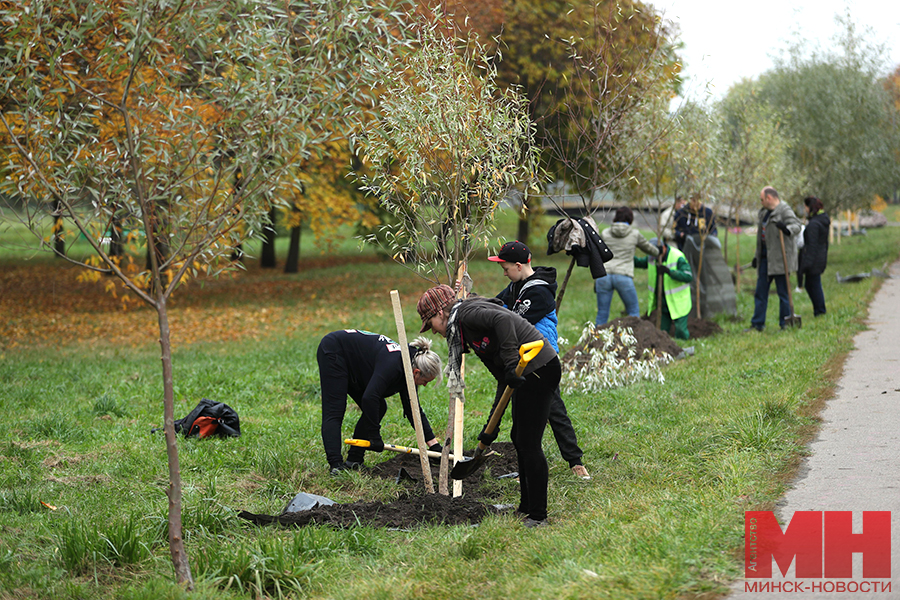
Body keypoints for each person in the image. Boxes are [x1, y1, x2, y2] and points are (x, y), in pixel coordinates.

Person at [417, 284, 560, 527]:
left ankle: (538, 515)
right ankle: (526, 508)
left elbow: (502, 319)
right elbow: (504, 380)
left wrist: (511, 361)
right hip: (527, 372)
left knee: (528, 442)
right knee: (519, 438)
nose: (434, 331)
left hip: (539, 369)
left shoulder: (467, 314)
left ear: (441, 312)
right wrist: (489, 430)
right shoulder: (465, 330)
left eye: (431, 323)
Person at [489, 240, 591, 480]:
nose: (503, 273)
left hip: (542, 360)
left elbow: (511, 321)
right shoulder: (516, 286)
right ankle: (524, 464)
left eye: (505, 268)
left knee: (554, 410)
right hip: (522, 358)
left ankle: (575, 462)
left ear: (518, 265)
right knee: (519, 414)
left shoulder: (538, 291)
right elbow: (496, 304)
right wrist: (468, 299)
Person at [317, 329, 442, 474]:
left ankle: (354, 460)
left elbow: (413, 409)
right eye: (425, 381)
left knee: (379, 407)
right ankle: (336, 465)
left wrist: (433, 445)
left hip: (357, 363)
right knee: (335, 409)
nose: (425, 385)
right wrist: (374, 434)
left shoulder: (410, 366)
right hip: (335, 350)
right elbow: (370, 398)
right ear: (416, 372)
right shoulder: (393, 365)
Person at [747, 186, 802, 331]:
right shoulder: (764, 213)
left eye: (762, 199)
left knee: (783, 293)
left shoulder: (784, 210)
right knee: (760, 292)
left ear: (769, 198)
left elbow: (797, 225)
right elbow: (761, 238)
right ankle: (757, 324)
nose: (761, 202)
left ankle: (784, 323)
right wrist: (756, 257)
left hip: (780, 260)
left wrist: (786, 229)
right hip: (765, 259)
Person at [596, 207, 660, 326]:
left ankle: (595, 342)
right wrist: (659, 251)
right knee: (633, 312)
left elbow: (597, 252)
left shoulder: (605, 233)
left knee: (602, 314)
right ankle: (635, 341)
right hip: (623, 276)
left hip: (604, 275)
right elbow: (650, 249)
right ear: (630, 219)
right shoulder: (634, 234)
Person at [634, 239, 693, 340]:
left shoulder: (677, 256)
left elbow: (688, 276)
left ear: (664, 247)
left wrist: (669, 272)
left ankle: (684, 346)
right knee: (662, 331)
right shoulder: (652, 258)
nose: (654, 256)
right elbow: (639, 262)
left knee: (680, 329)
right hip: (663, 301)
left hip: (678, 301)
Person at [798, 196, 830, 317]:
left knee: (814, 285)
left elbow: (812, 245)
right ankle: (819, 309)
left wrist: (806, 264)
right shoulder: (822, 221)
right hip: (820, 256)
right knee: (811, 284)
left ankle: (820, 310)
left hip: (814, 259)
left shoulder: (814, 225)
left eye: (806, 207)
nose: (805, 209)